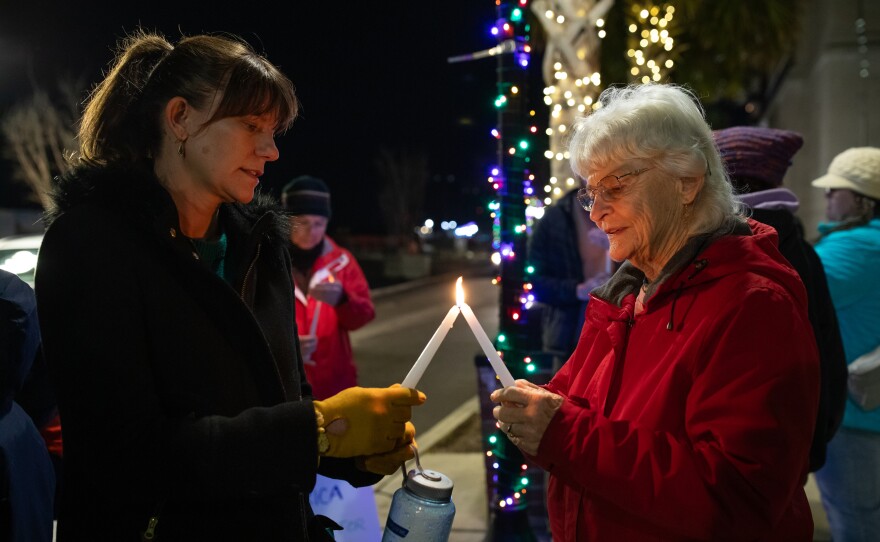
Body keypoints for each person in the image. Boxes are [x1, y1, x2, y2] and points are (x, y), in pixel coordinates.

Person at [34, 30, 424, 541]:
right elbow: (125, 454)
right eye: (251, 125)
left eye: (275, 129)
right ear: (180, 118)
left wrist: (354, 451)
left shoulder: (261, 245)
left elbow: (284, 401)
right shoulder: (92, 245)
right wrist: (320, 430)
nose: (272, 149)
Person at [490, 84, 820, 540]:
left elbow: (738, 498)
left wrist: (563, 432)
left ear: (687, 180)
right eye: (591, 193)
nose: (597, 212)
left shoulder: (753, 306)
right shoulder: (624, 298)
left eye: (616, 185)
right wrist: (537, 413)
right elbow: (580, 414)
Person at [714, 125, 848, 472]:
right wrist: (816, 439)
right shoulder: (800, 249)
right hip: (791, 448)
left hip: (729, 462)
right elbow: (827, 347)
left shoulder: (717, 251)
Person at [810, 146, 880, 542]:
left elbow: (789, 290)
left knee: (856, 525)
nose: (827, 198)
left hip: (855, 419)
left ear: (861, 199)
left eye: (834, 190)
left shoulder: (856, 248)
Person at [282, 176, 375, 400]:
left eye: (319, 224)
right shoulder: (268, 261)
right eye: (303, 222)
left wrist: (343, 300)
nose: (311, 231)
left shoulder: (342, 262)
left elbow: (364, 315)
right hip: (286, 388)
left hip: (335, 386)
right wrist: (287, 348)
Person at [529, 184, 614, 361]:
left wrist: (618, 250)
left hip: (616, 326)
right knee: (566, 386)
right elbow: (535, 281)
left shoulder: (620, 210)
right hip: (569, 332)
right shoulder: (554, 219)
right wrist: (577, 290)